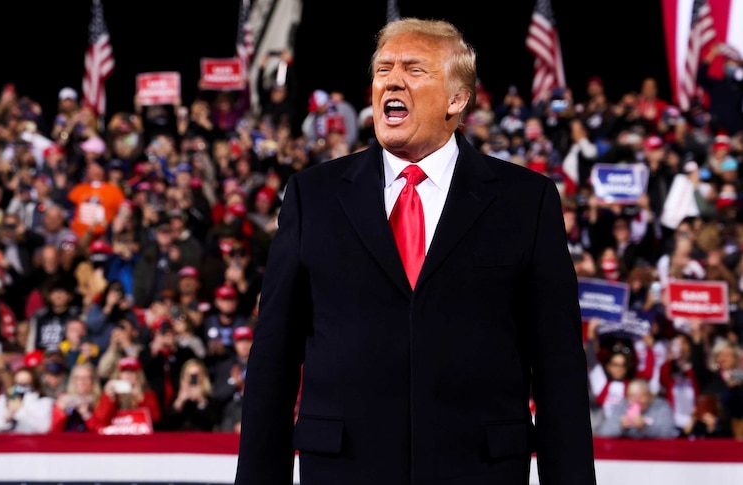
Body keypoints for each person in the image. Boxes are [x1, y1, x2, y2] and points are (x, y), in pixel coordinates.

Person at [235, 18, 596, 485]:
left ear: (456, 98)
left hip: (478, 471)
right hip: (344, 471)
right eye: (383, 69)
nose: (392, 80)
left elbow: (558, 369)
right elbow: (273, 362)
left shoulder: (526, 201)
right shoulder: (313, 196)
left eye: (414, 69)